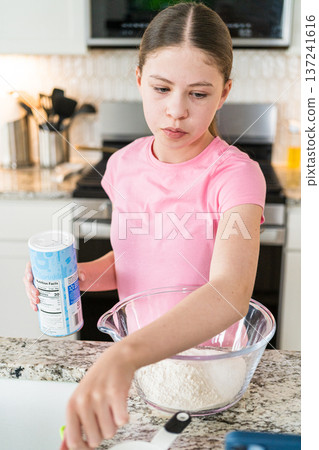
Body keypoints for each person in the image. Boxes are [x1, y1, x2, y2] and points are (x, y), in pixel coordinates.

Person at [23, 3, 266, 449]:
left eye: (198, 94)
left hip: (210, 377)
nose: (175, 111)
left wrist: (123, 355)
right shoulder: (122, 165)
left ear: (224, 93)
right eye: (161, 88)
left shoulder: (236, 176)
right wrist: (78, 277)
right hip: (145, 374)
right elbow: (135, 260)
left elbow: (229, 293)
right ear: (139, 79)